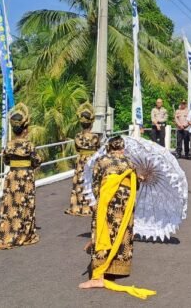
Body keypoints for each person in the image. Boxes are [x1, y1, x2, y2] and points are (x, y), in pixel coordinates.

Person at [79, 136, 155, 299]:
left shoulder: (101, 161)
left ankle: (98, 275)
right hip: (125, 203)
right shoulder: (130, 163)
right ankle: (117, 267)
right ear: (122, 148)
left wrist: (99, 197)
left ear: (109, 147)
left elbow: (96, 183)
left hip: (107, 201)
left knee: (103, 231)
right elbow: (136, 185)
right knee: (122, 232)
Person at [0, 103, 42, 250]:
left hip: (12, 176)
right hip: (25, 177)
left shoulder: (9, 145)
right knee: (25, 205)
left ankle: (8, 233)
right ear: (25, 130)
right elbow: (37, 160)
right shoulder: (29, 146)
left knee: (11, 205)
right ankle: (24, 233)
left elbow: (6, 160)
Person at [65, 102, 101, 217]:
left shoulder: (77, 136)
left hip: (81, 161)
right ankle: (90, 205)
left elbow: (77, 148)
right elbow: (99, 149)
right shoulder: (95, 137)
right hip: (91, 161)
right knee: (90, 182)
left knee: (79, 182)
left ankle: (77, 206)